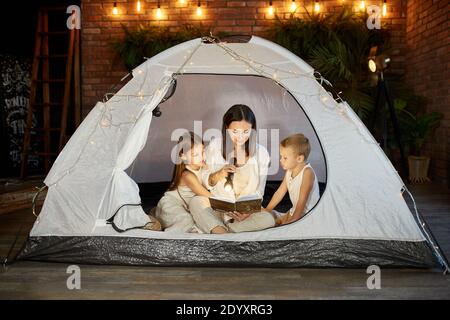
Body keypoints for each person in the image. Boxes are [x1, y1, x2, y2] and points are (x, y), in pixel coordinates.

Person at [189, 104, 275, 234]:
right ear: (226, 128)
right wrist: (219, 173)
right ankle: (225, 232)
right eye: (234, 131)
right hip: (219, 208)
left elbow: (259, 191)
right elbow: (206, 180)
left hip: (244, 213)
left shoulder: (261, 153)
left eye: (246, 132)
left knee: (268, 219)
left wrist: (247, 212)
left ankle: (222, 232)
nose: (240, 137)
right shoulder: (215, 147)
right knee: (196, 202)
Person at [154, 131, 211, 233]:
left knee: (200, 219)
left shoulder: (203, 166)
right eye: (195, 154)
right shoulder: (187, 175)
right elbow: (207, 195)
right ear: (183, 156)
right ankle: (158, 225)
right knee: (186, 221)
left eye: (202, 152)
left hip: (188, 206)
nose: (202, 157)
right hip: (172, 205)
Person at [263, 133, 320, 226]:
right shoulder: (289, 171)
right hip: (295, 210)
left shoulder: (307, 173)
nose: (281, 160)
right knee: (273, 221)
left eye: (285, 158)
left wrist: (294, 221)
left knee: (283, 225)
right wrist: (267, 210)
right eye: (281, 156)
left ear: (299, 158)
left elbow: (302, 201)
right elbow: (280, 192)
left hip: (308, 214)